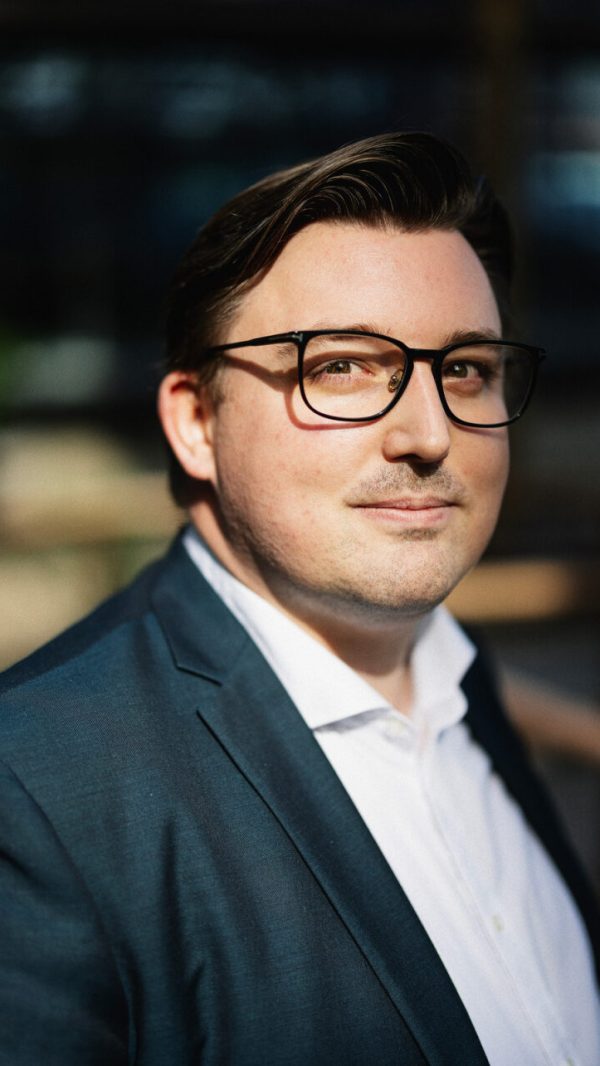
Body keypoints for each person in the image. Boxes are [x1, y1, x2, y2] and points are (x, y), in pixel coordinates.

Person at [1, 132, 598, 1066]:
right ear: (197, 422)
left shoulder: (462, 685)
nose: (428, 433)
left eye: (466, 370)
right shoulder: (37, 789)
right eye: (342, 367)